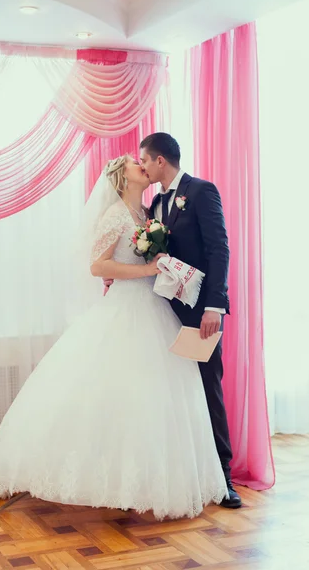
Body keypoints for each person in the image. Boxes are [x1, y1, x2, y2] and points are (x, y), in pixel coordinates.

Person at [0, 155, 228, 521]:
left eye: (143, 159)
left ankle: (148, 483)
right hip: (125, 310)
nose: (141, 164)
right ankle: (114, 485)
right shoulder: (115, 214)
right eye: (135, 163)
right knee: (119, 396)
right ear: (121, 177)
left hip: (155, 308)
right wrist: (146, 267)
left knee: (154, 399)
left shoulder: (148, 214)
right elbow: (98, 265)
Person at [105, 134, 241, 508]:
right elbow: (151, 258)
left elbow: (219, 249)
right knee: (178, 398)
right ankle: (188, 474)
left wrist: (216, 305)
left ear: (159, 160)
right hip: (163, 312)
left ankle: (224, 477)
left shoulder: (201, 191)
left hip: (201, 314)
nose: (142, 167)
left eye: (144, 161)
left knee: (207, 389)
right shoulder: (153, 206)